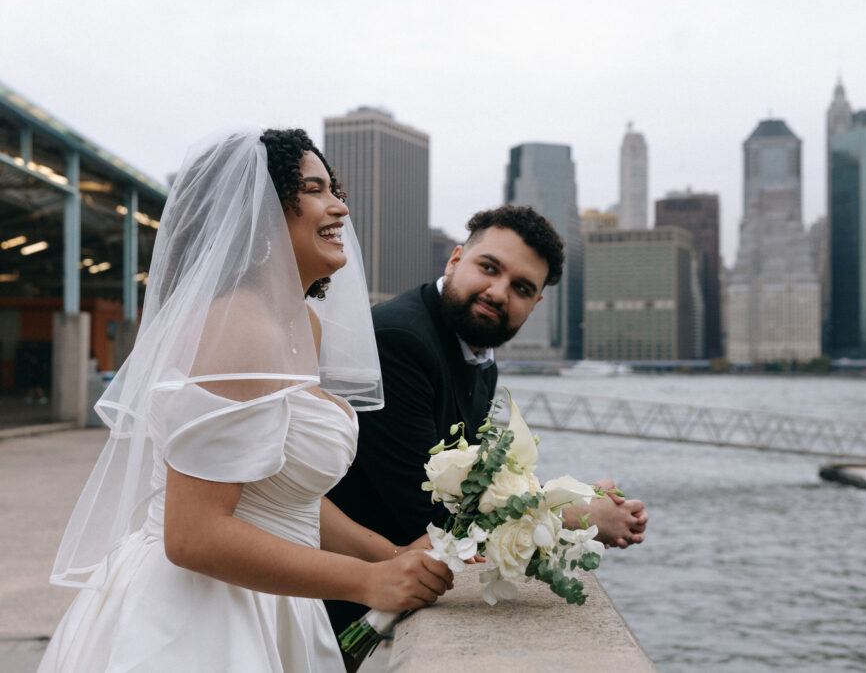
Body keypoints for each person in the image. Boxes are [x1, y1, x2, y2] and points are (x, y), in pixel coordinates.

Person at [38, 129, 452, 672]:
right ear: (260, 213)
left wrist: (391, 554)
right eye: (314, 189)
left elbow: (279, 493)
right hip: (200, 617)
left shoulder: (299, 322)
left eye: (337, 191)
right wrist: (369, 581)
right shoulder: (238, 325)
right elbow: (193, 536)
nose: (339, 209)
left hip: (270, 599)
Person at [325, 205, 648, 635]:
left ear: (536, 303)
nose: (498, 292)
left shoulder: (479, 356)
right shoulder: (398, 342)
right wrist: (579, 514)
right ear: (455, 259)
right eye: (489, 267)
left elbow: (477, 485)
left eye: (520, 287)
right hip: (335, 603)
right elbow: (434, 513)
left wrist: (572, 497)